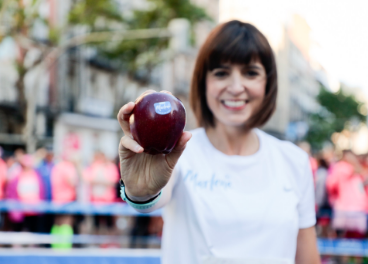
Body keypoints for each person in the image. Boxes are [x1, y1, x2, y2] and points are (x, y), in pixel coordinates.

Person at [117, 20, 320, 264]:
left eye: (251, 73)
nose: (236, 87)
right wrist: (140, 192)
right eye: (221, 73)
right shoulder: (177, 152)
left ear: (268, 82)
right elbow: (149, 197)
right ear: (203, 82)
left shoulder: (294, 161)